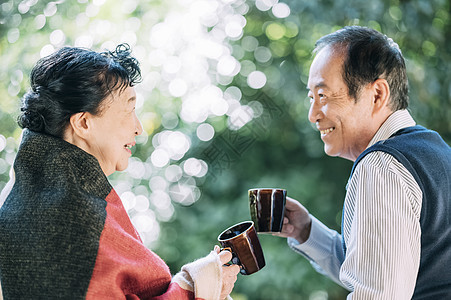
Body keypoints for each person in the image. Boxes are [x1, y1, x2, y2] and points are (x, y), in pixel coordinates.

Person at [0, 44, 240, 299]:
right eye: (128, 110)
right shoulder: (72, 216)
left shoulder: (18, 197)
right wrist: (195, 286)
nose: (138, 128)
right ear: (83, 123)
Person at [275, 26, 451, 298]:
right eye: (311, 98)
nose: (312, 115)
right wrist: (305, 230)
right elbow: (374, 271)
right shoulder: (435, 150)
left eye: (323, 95)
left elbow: (378, 294)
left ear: (377, 94)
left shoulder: (381, 165)